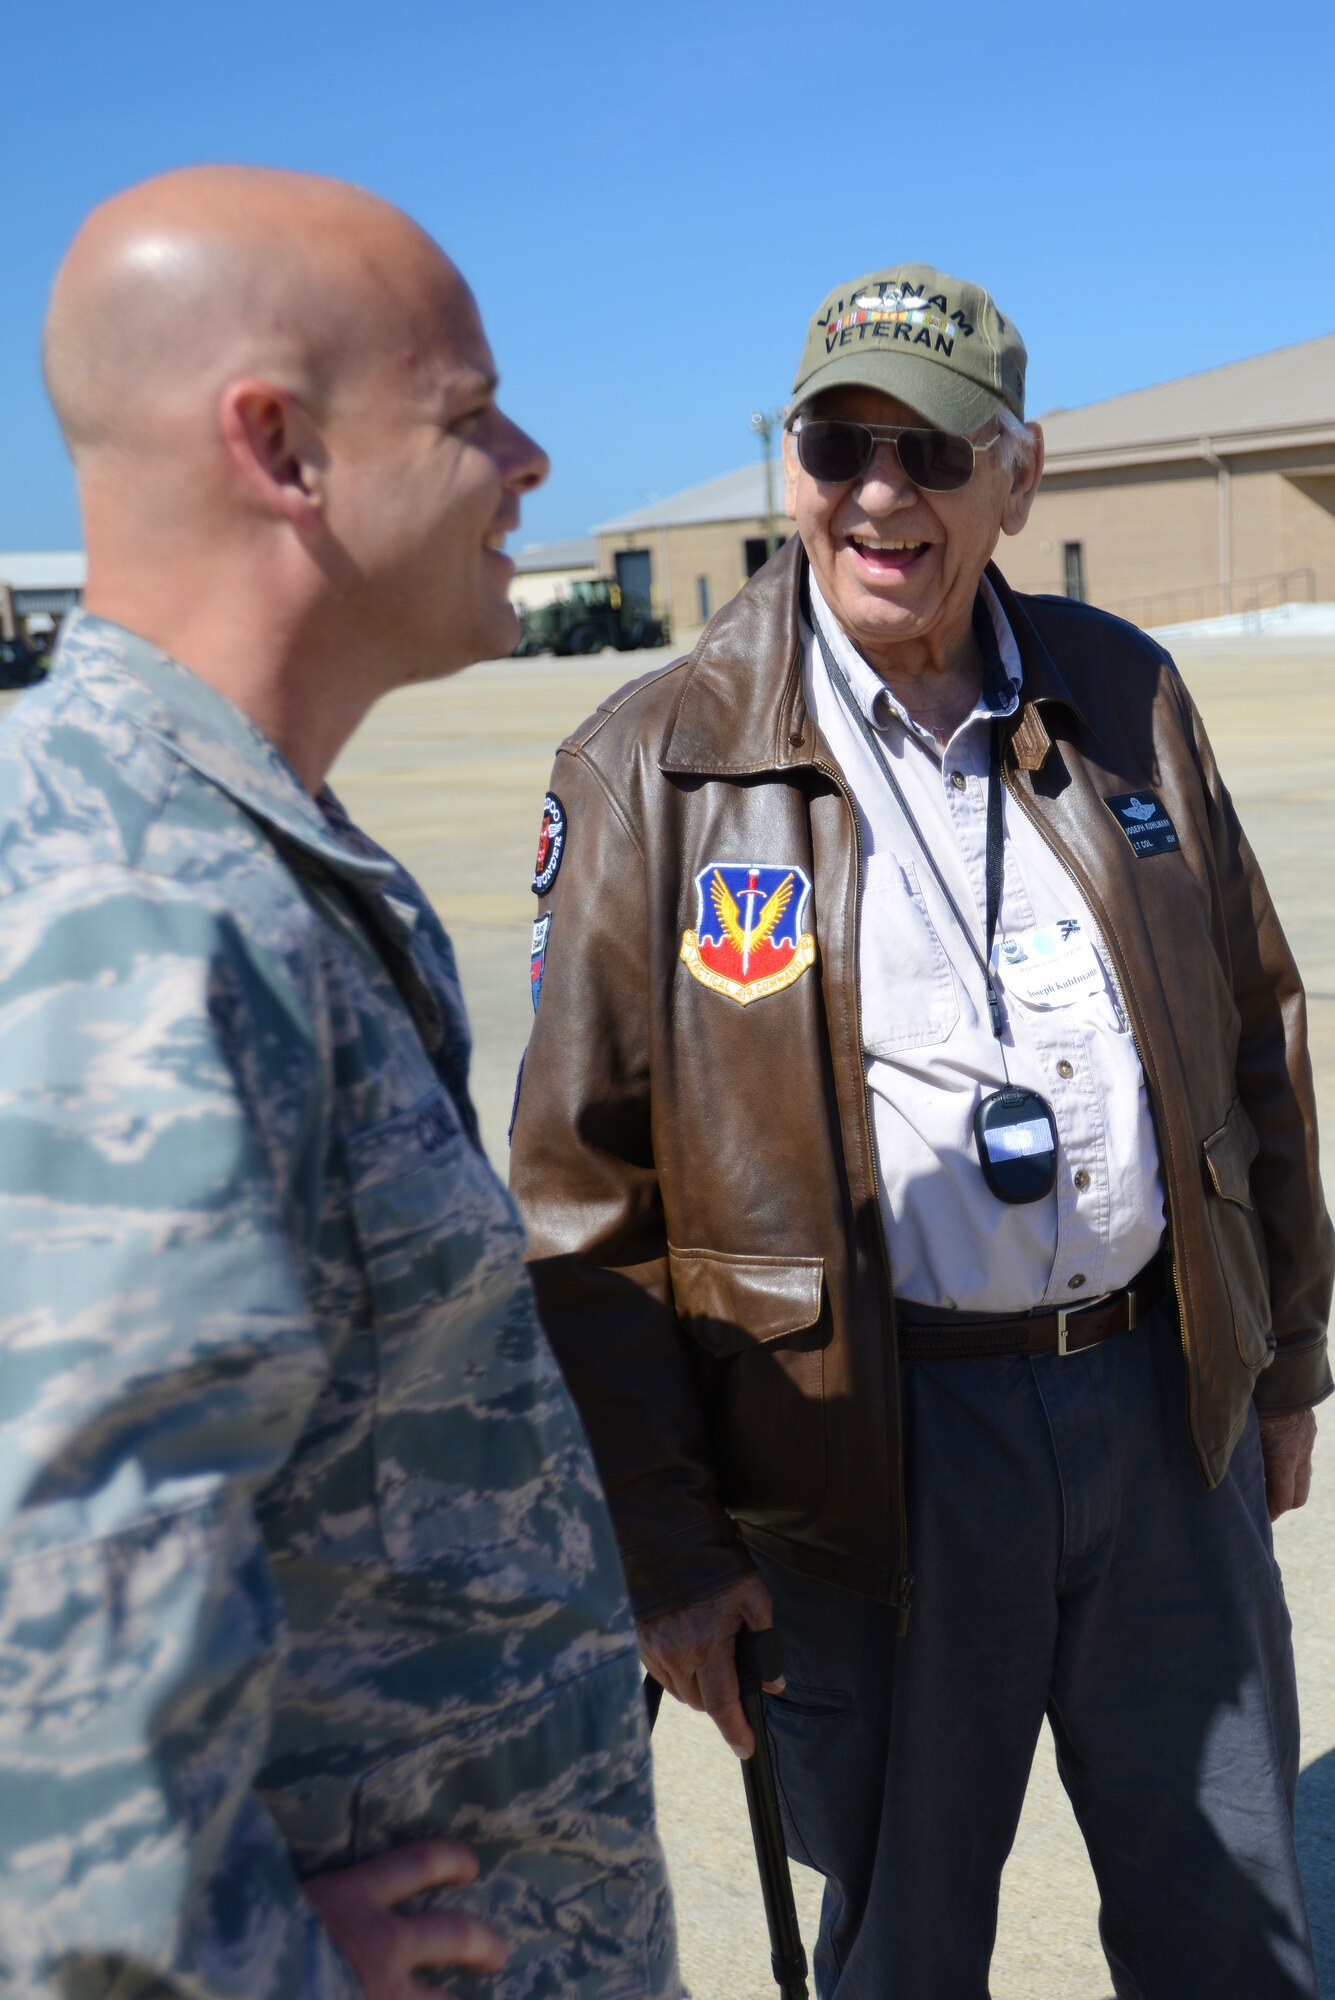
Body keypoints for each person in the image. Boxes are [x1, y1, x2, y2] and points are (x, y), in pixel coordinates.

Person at [509, 261, 1333, 1997]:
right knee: (904, 1951)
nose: (882, 492)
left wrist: (1283, 1359)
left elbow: (1257, 1030)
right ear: (786, 469)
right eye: (839, 442)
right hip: (861, 1456)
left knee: (1234, 1929)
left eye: (934, 450)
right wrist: (666, 1546)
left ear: (1016, 479)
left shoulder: (1126, 694)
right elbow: (585, 1203)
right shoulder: (651, 766)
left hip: (1153, 1408)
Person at [0, 167, 677, 2000]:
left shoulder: (231, 843)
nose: (531, 459)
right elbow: (57, 1585)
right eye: (469, 414)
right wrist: (223, 1969)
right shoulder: (140, 912)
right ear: (280, 450)